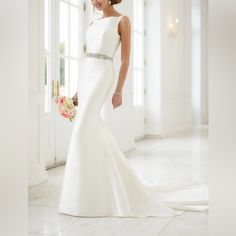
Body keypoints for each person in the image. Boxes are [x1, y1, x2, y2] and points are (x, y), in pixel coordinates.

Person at [58, 0, 208, 217]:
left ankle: (91, 194)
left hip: (102, 74)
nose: (94, 1)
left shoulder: (122, 21)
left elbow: (125, 60)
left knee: (83, 129)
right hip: (87, 74)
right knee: (88, 129)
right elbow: (86, 59)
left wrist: (118, 90)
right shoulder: (92, 24)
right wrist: (77, 92)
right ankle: (90, 191)